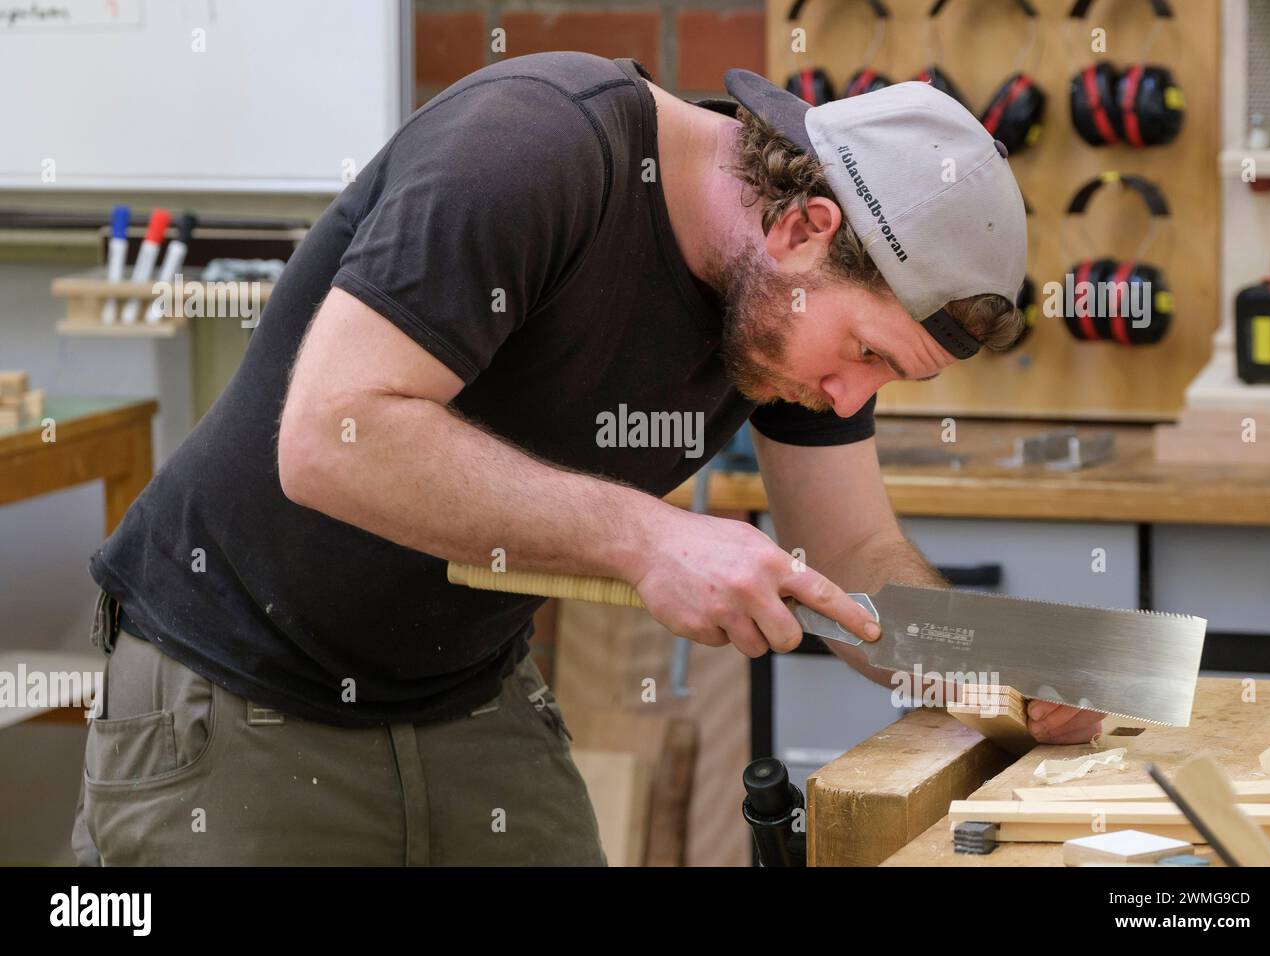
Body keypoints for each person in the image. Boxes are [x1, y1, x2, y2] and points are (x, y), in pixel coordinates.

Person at [73, 53, 1100, 866]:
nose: (849, 399)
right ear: (801, 226)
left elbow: (853, 548)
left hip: (461, 693)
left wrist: (995, 662)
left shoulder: (787, 314)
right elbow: (332, 437)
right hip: (232, 686)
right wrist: (649, 537)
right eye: (866, 353)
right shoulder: (530, 146)